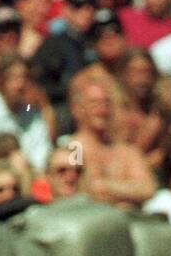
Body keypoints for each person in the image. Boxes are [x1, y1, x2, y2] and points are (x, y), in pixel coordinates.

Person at [67, 71, 156, 208]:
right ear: (79, 109)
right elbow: (84, 190)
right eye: (94, 103)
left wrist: (104, 185)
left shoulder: (126, 151)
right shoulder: (74, 148)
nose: (102, 110)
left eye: (106, 103)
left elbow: (148, 188)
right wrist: (127, 192)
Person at [28, 0, 97, 113]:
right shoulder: (53, 43)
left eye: (90, 7)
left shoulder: (96, 42)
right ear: (66, 10)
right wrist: (69, 87)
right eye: (78, 7)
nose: (86, 12)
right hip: (60, 109)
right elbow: (36, 85)